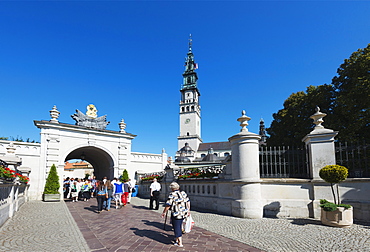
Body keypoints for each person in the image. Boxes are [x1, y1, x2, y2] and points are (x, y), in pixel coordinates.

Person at [161, 182, 190, 248]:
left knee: (176, 227)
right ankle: (177, 238)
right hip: (184, 212)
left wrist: (164, 212)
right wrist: (188, 210)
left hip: (176, 213)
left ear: (172, 188)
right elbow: (188, 201)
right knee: (179, 225)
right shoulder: (183, 193)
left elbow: (168, 204)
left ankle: (180, 242)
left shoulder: (172, 194)